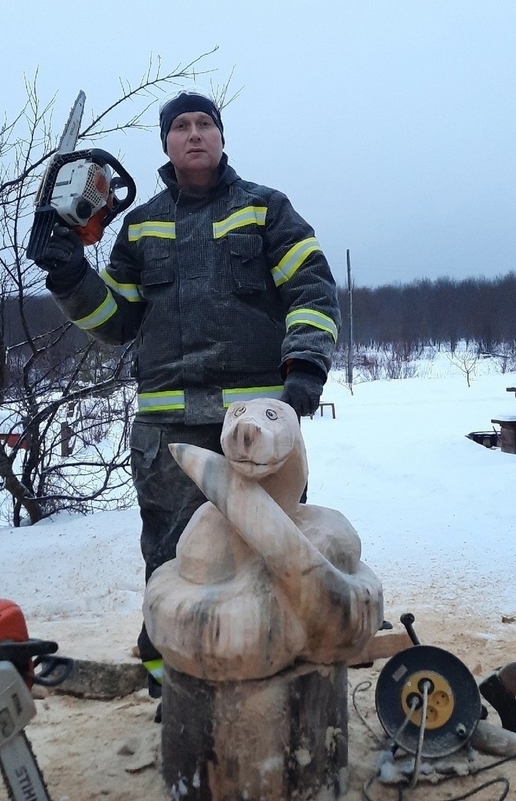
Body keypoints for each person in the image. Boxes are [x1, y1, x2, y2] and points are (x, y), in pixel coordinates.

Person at [34, 91, 341, 695]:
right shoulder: (140, 224)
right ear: (166, 144)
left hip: (252, 433)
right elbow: (115, 323)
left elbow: (312, 288)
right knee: (177, 566)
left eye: (206, 124)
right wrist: (71, 276)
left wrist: (304, 366)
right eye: (181, 126)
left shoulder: (266, 209)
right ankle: (172, 688)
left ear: (222, 138)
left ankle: (281, 686)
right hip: (167, 439)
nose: (195, 133)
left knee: (276, 558)